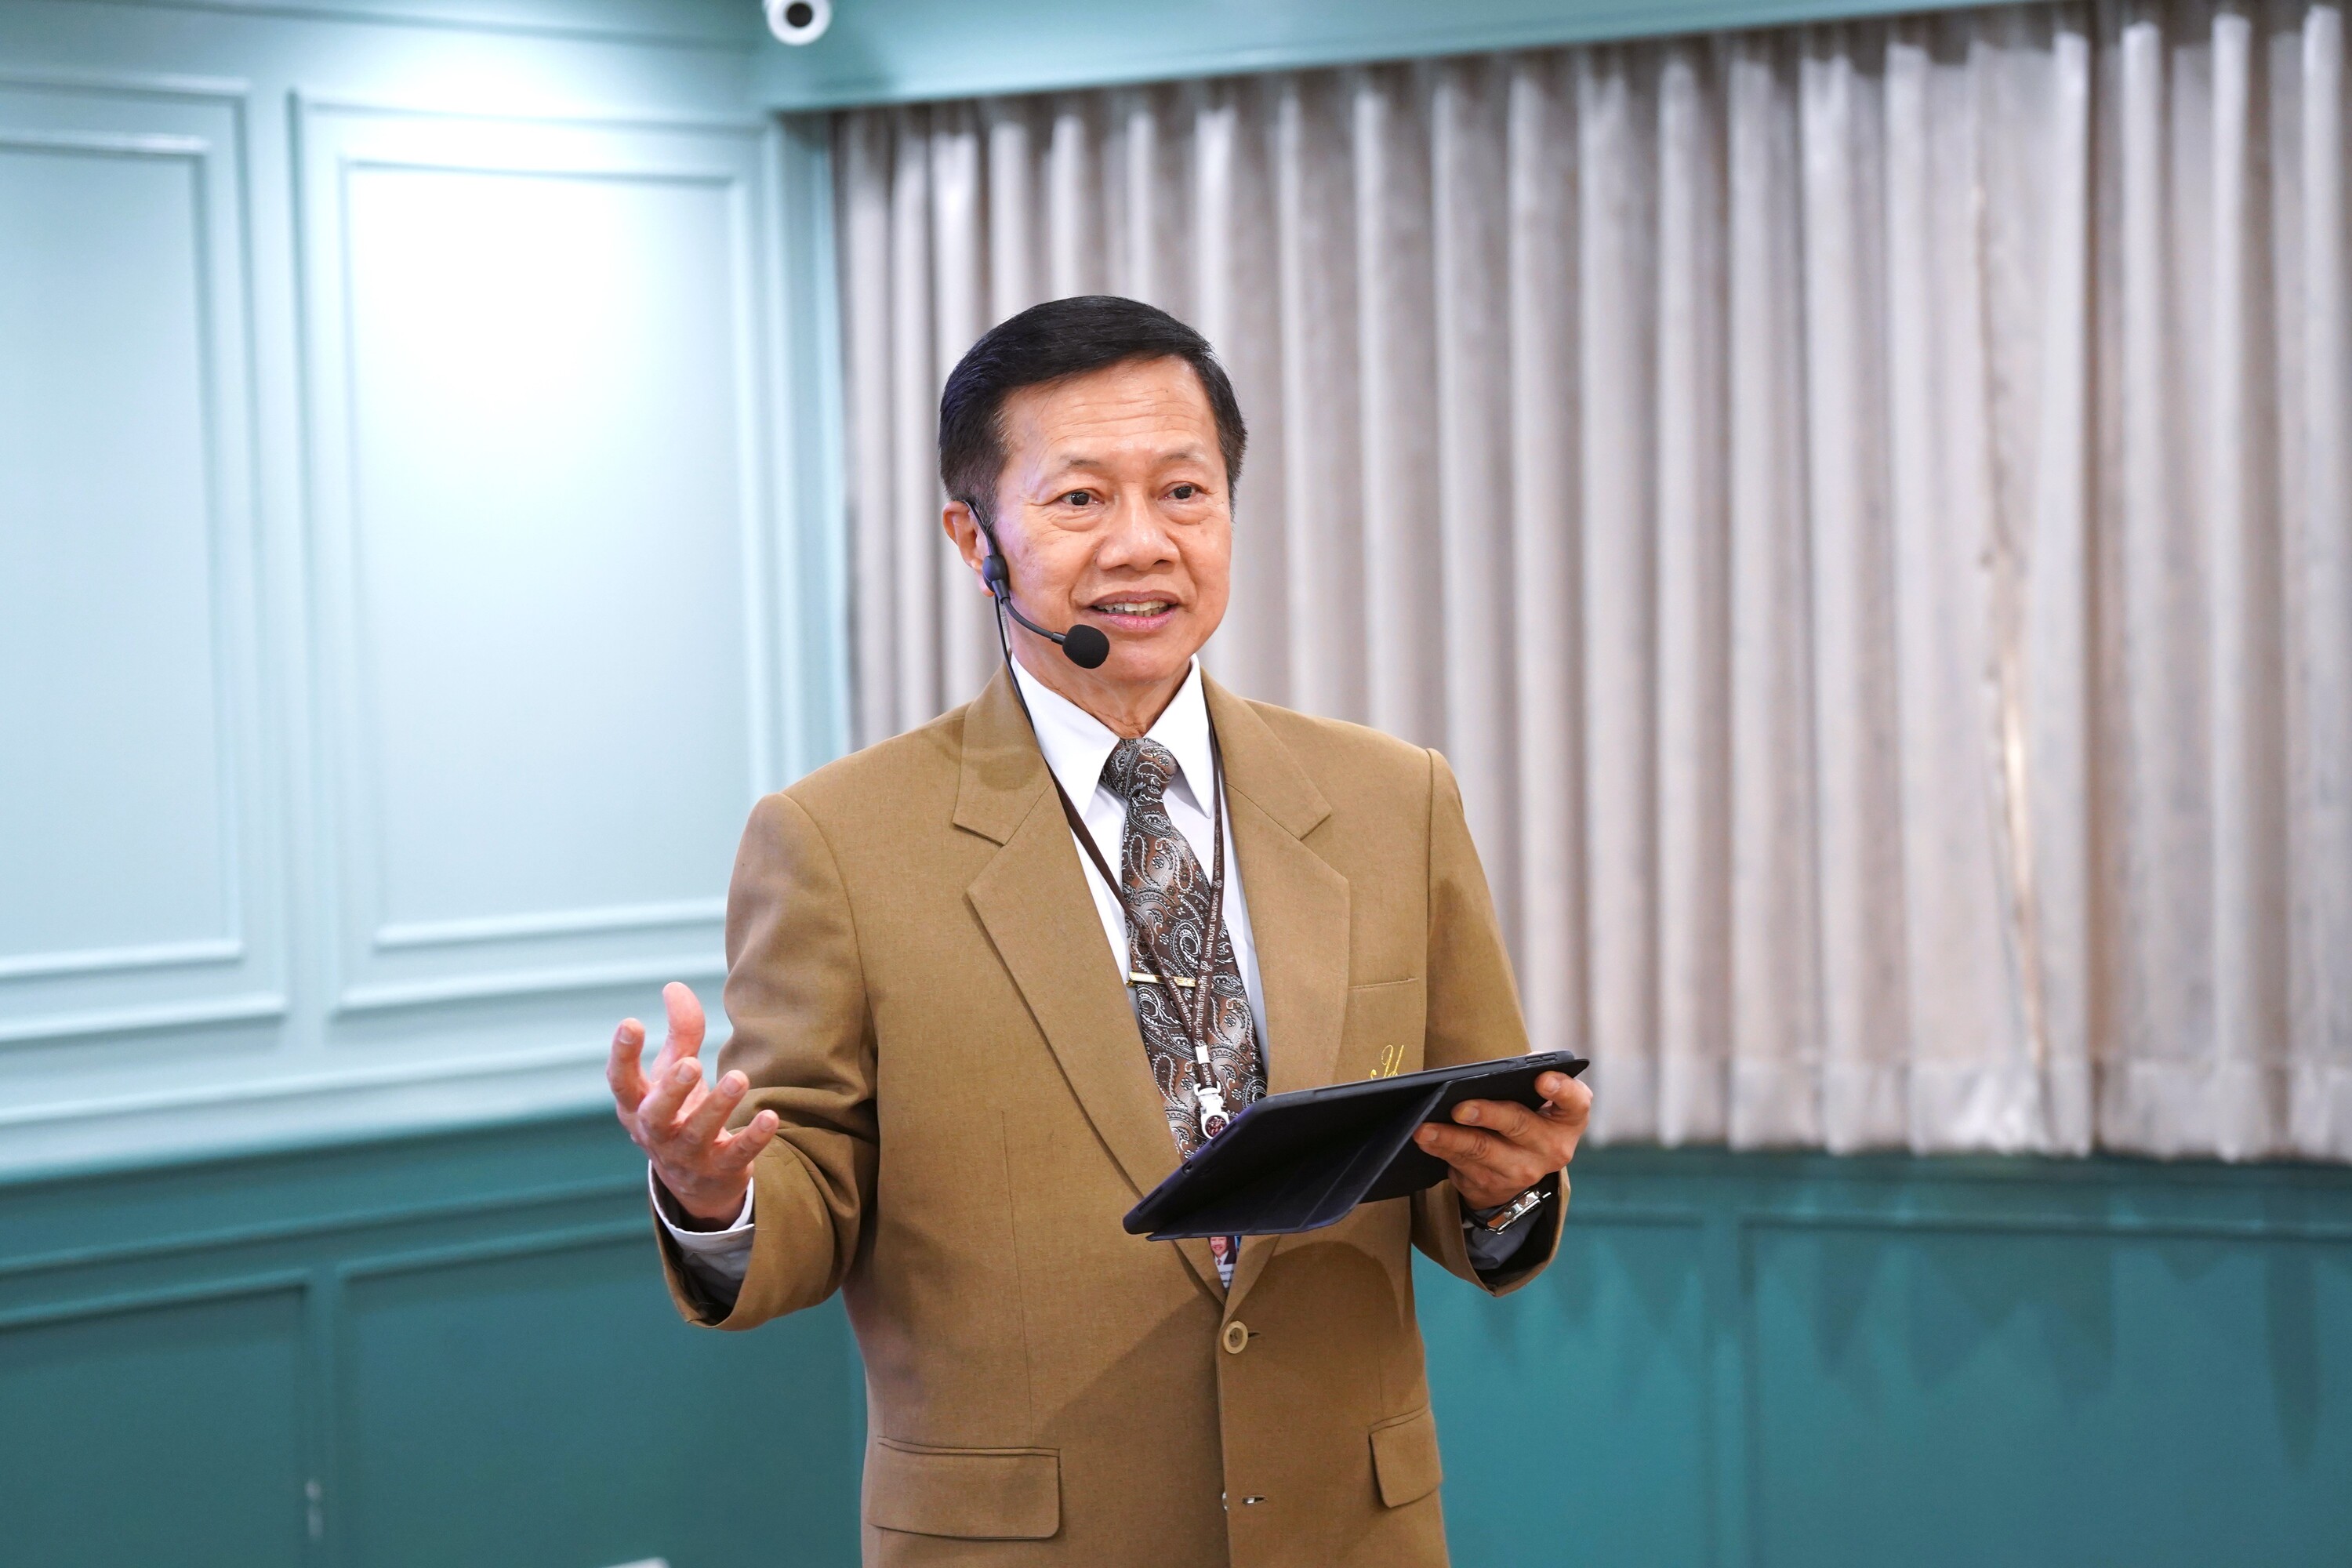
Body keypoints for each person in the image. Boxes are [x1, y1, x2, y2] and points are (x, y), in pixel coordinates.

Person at [605, 296, 1592, 1567]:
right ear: (975, 539)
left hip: (1349, 1530)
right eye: (1080, 499)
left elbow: (1466, 1162)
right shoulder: (837, 841)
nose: (1143, 544)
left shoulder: (1394, 800)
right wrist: (714, 1192)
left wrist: (1511, 1185)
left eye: (1185, 493)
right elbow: (810, 1199)